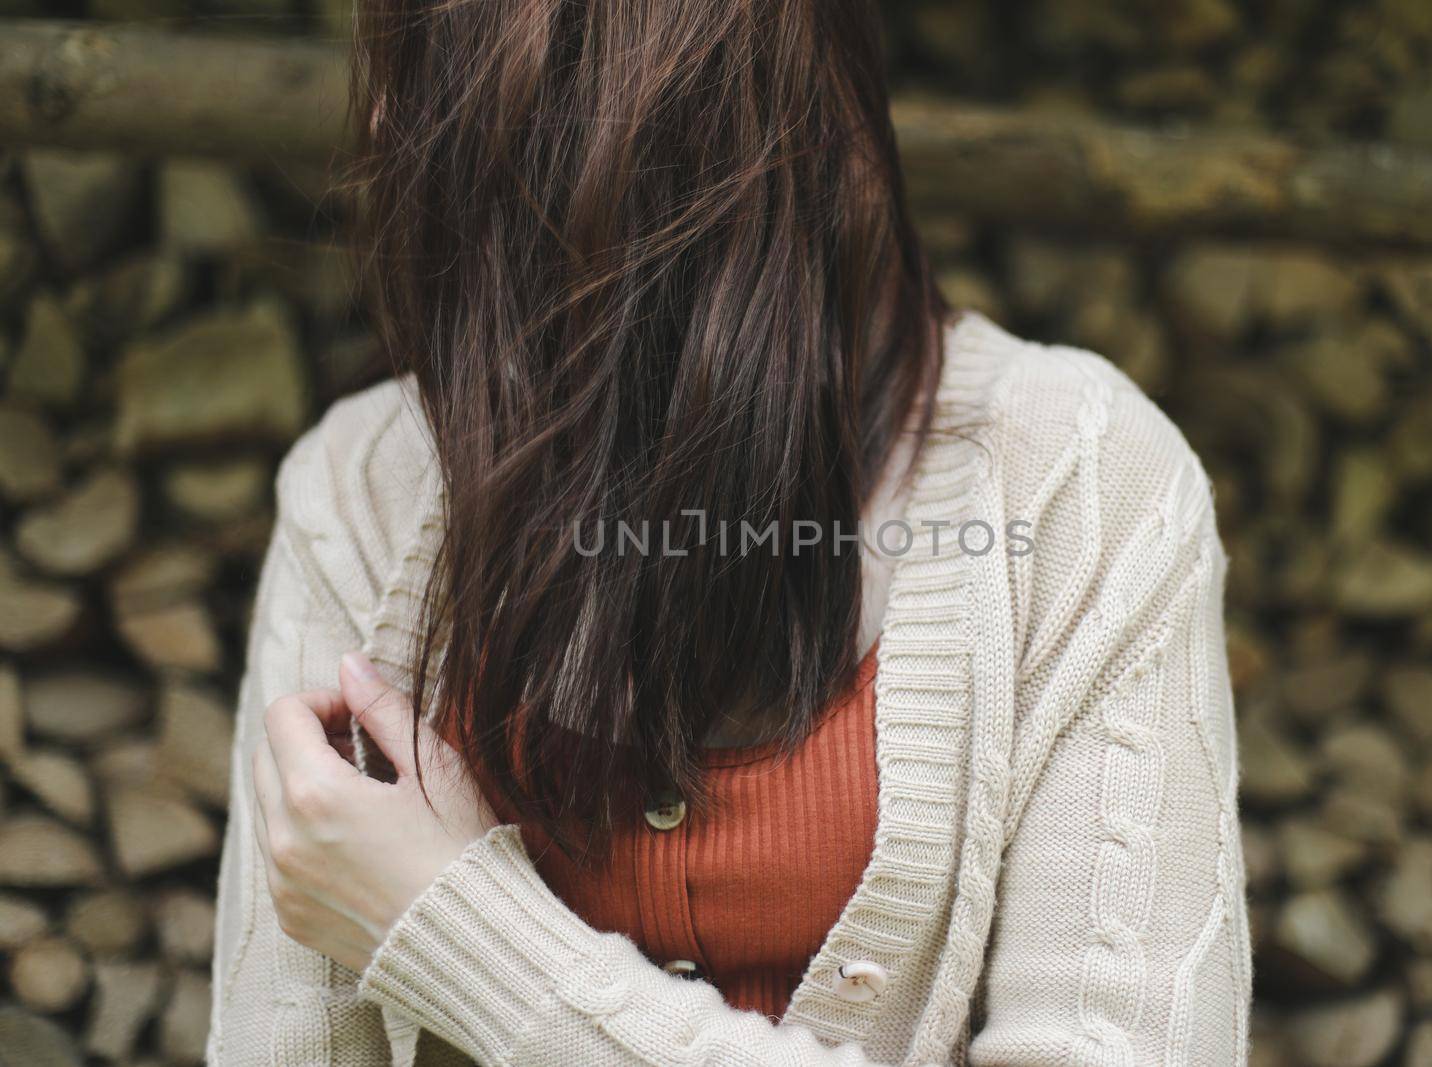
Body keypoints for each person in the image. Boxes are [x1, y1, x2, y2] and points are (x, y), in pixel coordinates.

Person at [207, 2, 1251, 1064]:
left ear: (652, 154)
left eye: (430, 92)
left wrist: (453, 931)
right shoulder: (363, 485)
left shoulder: (1077, 476)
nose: (382, 127)